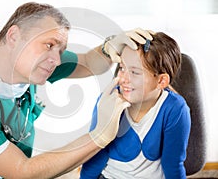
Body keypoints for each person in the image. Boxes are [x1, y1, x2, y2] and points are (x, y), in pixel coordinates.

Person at [0, 2, 152, 178]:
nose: (56, 60)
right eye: (49, 45)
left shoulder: (22, 63)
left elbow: (89, 64)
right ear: (13, 36)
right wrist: (99, 135)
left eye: (60, 50)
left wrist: (110, 45)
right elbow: (21, 172)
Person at [80, 32, 191, 179]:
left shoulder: (175, 109)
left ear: (161, 81)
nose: (123, 78)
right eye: (122, 68)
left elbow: (173, 164)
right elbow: (94, 156)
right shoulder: (109, 101)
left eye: (135, 72)